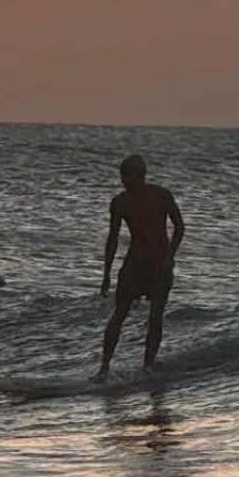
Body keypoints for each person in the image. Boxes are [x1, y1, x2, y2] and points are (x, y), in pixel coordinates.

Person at [92, 154, 185, 382]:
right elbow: (113, 239)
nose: (125, 181)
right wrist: (106, 275)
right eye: (123, 176)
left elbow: (179, 227)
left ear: (141, 176)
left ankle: (148, 366)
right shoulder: (120, 203)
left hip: (160, 265)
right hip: (134, 263)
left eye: (129, 176)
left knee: (156, 315)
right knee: (119, 313)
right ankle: (104, 367)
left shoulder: (161, 196)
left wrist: (170, 256)